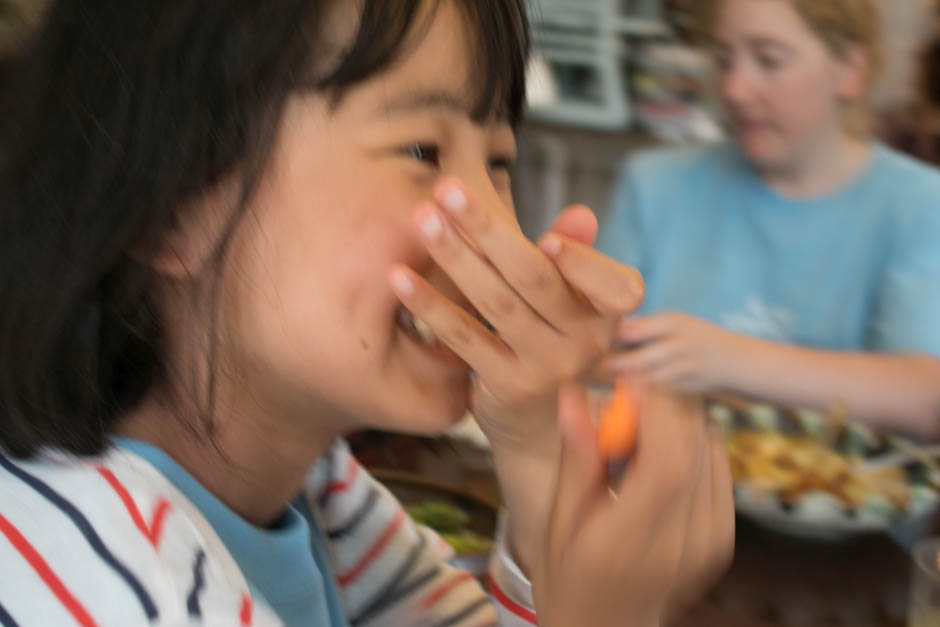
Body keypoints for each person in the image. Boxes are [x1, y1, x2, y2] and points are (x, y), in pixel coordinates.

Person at [0, 1, 733, 626]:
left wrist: (544, 457)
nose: (502, 235)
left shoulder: (317, 488)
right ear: (172, 205)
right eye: (423, 149)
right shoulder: (106, 584)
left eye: (499, 162)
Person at [598, 0, 940, 440]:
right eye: (724, 60)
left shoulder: (919, 203)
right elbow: (592, 357)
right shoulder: (653, 184)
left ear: (850, 68)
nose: (736, 89)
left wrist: (729, 360)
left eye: (769, 60)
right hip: (662, 493)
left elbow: (927, 399)